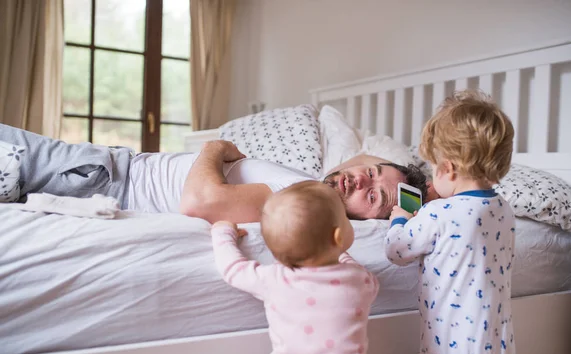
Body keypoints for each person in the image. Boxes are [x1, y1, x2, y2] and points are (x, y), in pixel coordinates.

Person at [0, 123, 432, 223]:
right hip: (108, 168)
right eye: (371, 171)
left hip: (104, 178)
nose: (359, 180)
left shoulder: (304, 200)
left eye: (372, 196)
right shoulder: (311, 182)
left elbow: (198, 203)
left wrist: (215, 148)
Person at [384, 90, 516, 354]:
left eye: (432, 168)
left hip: (451, 349)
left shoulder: (438, 212)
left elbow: (396, 250)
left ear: (449, 168)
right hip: (498, 347)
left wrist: (400, 219)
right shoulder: (505, 211)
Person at [210, 180, 379, 354]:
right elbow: (365, 280)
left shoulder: (274, 279)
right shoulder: (360, 280)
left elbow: (232, 268)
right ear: (338, 238)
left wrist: (223, 232)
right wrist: (339, 254)